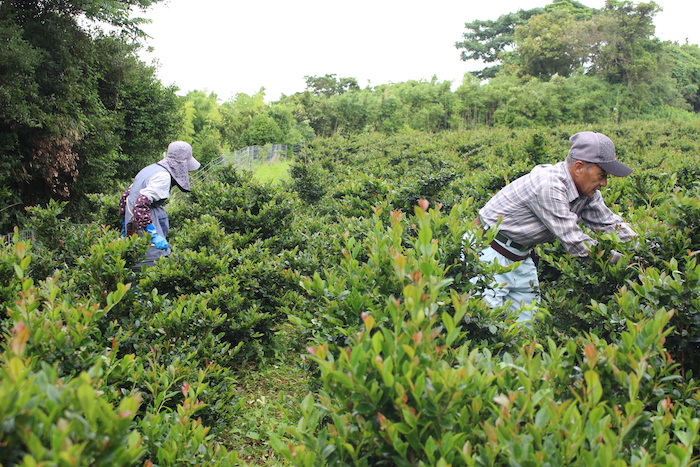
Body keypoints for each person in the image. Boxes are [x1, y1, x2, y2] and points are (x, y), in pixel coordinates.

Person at [470, 131, 637, 323]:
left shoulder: (586, 192)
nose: (604, 183)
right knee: (486, 324)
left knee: (525, 329)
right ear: (579, 167)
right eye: (601, 175)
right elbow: (575, 242)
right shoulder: (549, 185)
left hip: (521, 256)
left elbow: (609, 223)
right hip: (488, 252)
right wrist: (625, 263)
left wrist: (647, 251)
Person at [119, 141, 201, 267]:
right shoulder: (163, 176)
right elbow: (140, 204)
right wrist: (153, 234)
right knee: (149, 269)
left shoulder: (149, 170)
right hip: (146, 231)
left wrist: (126, 227)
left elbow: (126, 197)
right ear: (182, 164)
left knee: (134, 264)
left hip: (133, 228)